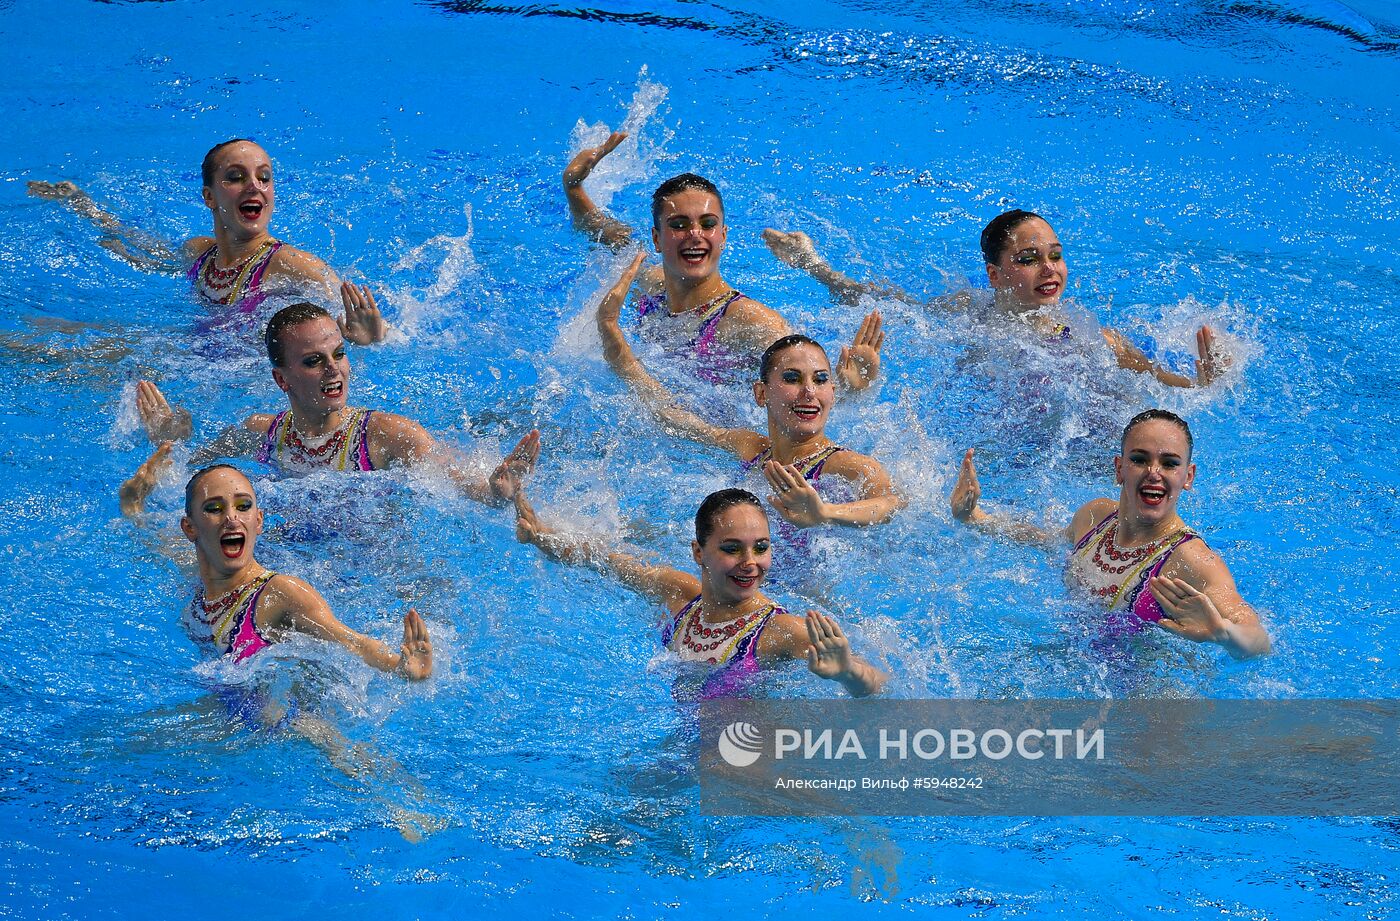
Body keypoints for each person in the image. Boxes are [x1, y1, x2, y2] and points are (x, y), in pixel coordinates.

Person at [597, 253, 903, 534]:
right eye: (792, 378)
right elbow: (670, 415)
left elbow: (891, 503)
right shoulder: (751, 448)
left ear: (832, 394)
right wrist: (612, 336)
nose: (809, 391)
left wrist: (825, 513)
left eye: (821, 380)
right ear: (761, 394)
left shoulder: (846, 466)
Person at [563, 128, 882, 391]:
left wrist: (850, 389)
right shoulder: (650, 286)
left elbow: (808, 388)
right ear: (657, 240)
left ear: (723, 236)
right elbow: (606, 236)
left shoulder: (751, 322)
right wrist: (573, 188)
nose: (694, 234)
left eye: (708, 224)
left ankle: (815, 266)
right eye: (679, 225)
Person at [764, 209, 1226, 388]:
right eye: (1029, 259)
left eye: (1056, 255)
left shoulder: (1090, 335)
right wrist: (815, 267)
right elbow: (890, 304)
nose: (1049, 269)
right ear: (995, 275)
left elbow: (1160, 381)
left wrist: (1205, 382)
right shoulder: (968, 312)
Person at [135, 302, 538, 506]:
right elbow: (186, 473)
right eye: (313, 361)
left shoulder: (387, 436)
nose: (334, 369)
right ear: (282, 379)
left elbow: (457, 482)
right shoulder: (260, 432)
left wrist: (495, 491)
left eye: (339, 354)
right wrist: (166, 441)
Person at [949, 408, 1271, 659]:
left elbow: (1258, 640)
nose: (1154, 473)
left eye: (1170, 463)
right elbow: (1046, 541)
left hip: (1148, 698)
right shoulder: (1095, 516)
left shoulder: (1192, 561)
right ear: (1119, 468)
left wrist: (1224, 633)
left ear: (1188, 477)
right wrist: (975, 518)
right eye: (1139, 459)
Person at [512, 483, 886, 698]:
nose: (750, 562)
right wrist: (540, 536)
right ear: (698, 552)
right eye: (731, 548)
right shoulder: (678, 593)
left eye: (761, 547)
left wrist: (847, 672)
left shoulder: (781, 631)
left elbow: (879, 684)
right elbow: (600, 559)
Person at [29, 138, 386, 344]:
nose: (254, 185)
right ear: (209, 197)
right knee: (64, 336)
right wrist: (84, 207)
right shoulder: (199, 252)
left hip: (251, 377)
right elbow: (145, 248)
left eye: (264, 177)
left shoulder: (294, 265)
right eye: (236, 177)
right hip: (197, 352)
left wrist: (371, 338)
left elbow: (361, 322)